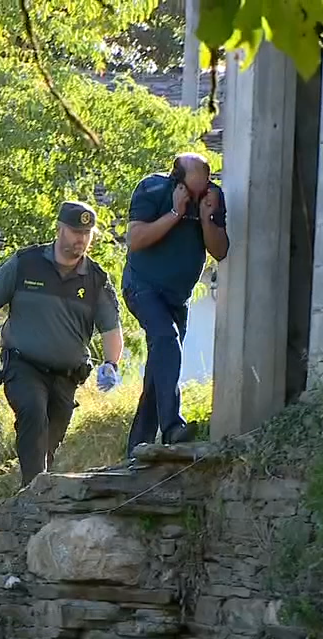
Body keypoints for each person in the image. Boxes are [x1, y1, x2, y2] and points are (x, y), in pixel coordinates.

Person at [0, 201, 123, 487]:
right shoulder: (25, 264)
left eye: (87, 233)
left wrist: (111, 364)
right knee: (32, 411)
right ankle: (33, 492)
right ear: (59, 230)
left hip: (67, 376)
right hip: (23, 364)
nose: (81, 239)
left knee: (49, 441)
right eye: (76, 231)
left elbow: (111, 329)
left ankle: (35, 494)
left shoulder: (95, 280)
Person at [122, 153, 229, 456]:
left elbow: (219, 250)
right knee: (166, 339)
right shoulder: (152, 190)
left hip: (176, 297)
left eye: (203, 188)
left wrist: (207, 215)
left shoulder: (211, 197)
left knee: (160, 369)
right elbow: (135, 239)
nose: (198, 196)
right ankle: (171, 427)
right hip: (141, 286)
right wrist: (174, 212)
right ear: (176, 180)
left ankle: (137, 447)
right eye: (192, 191)